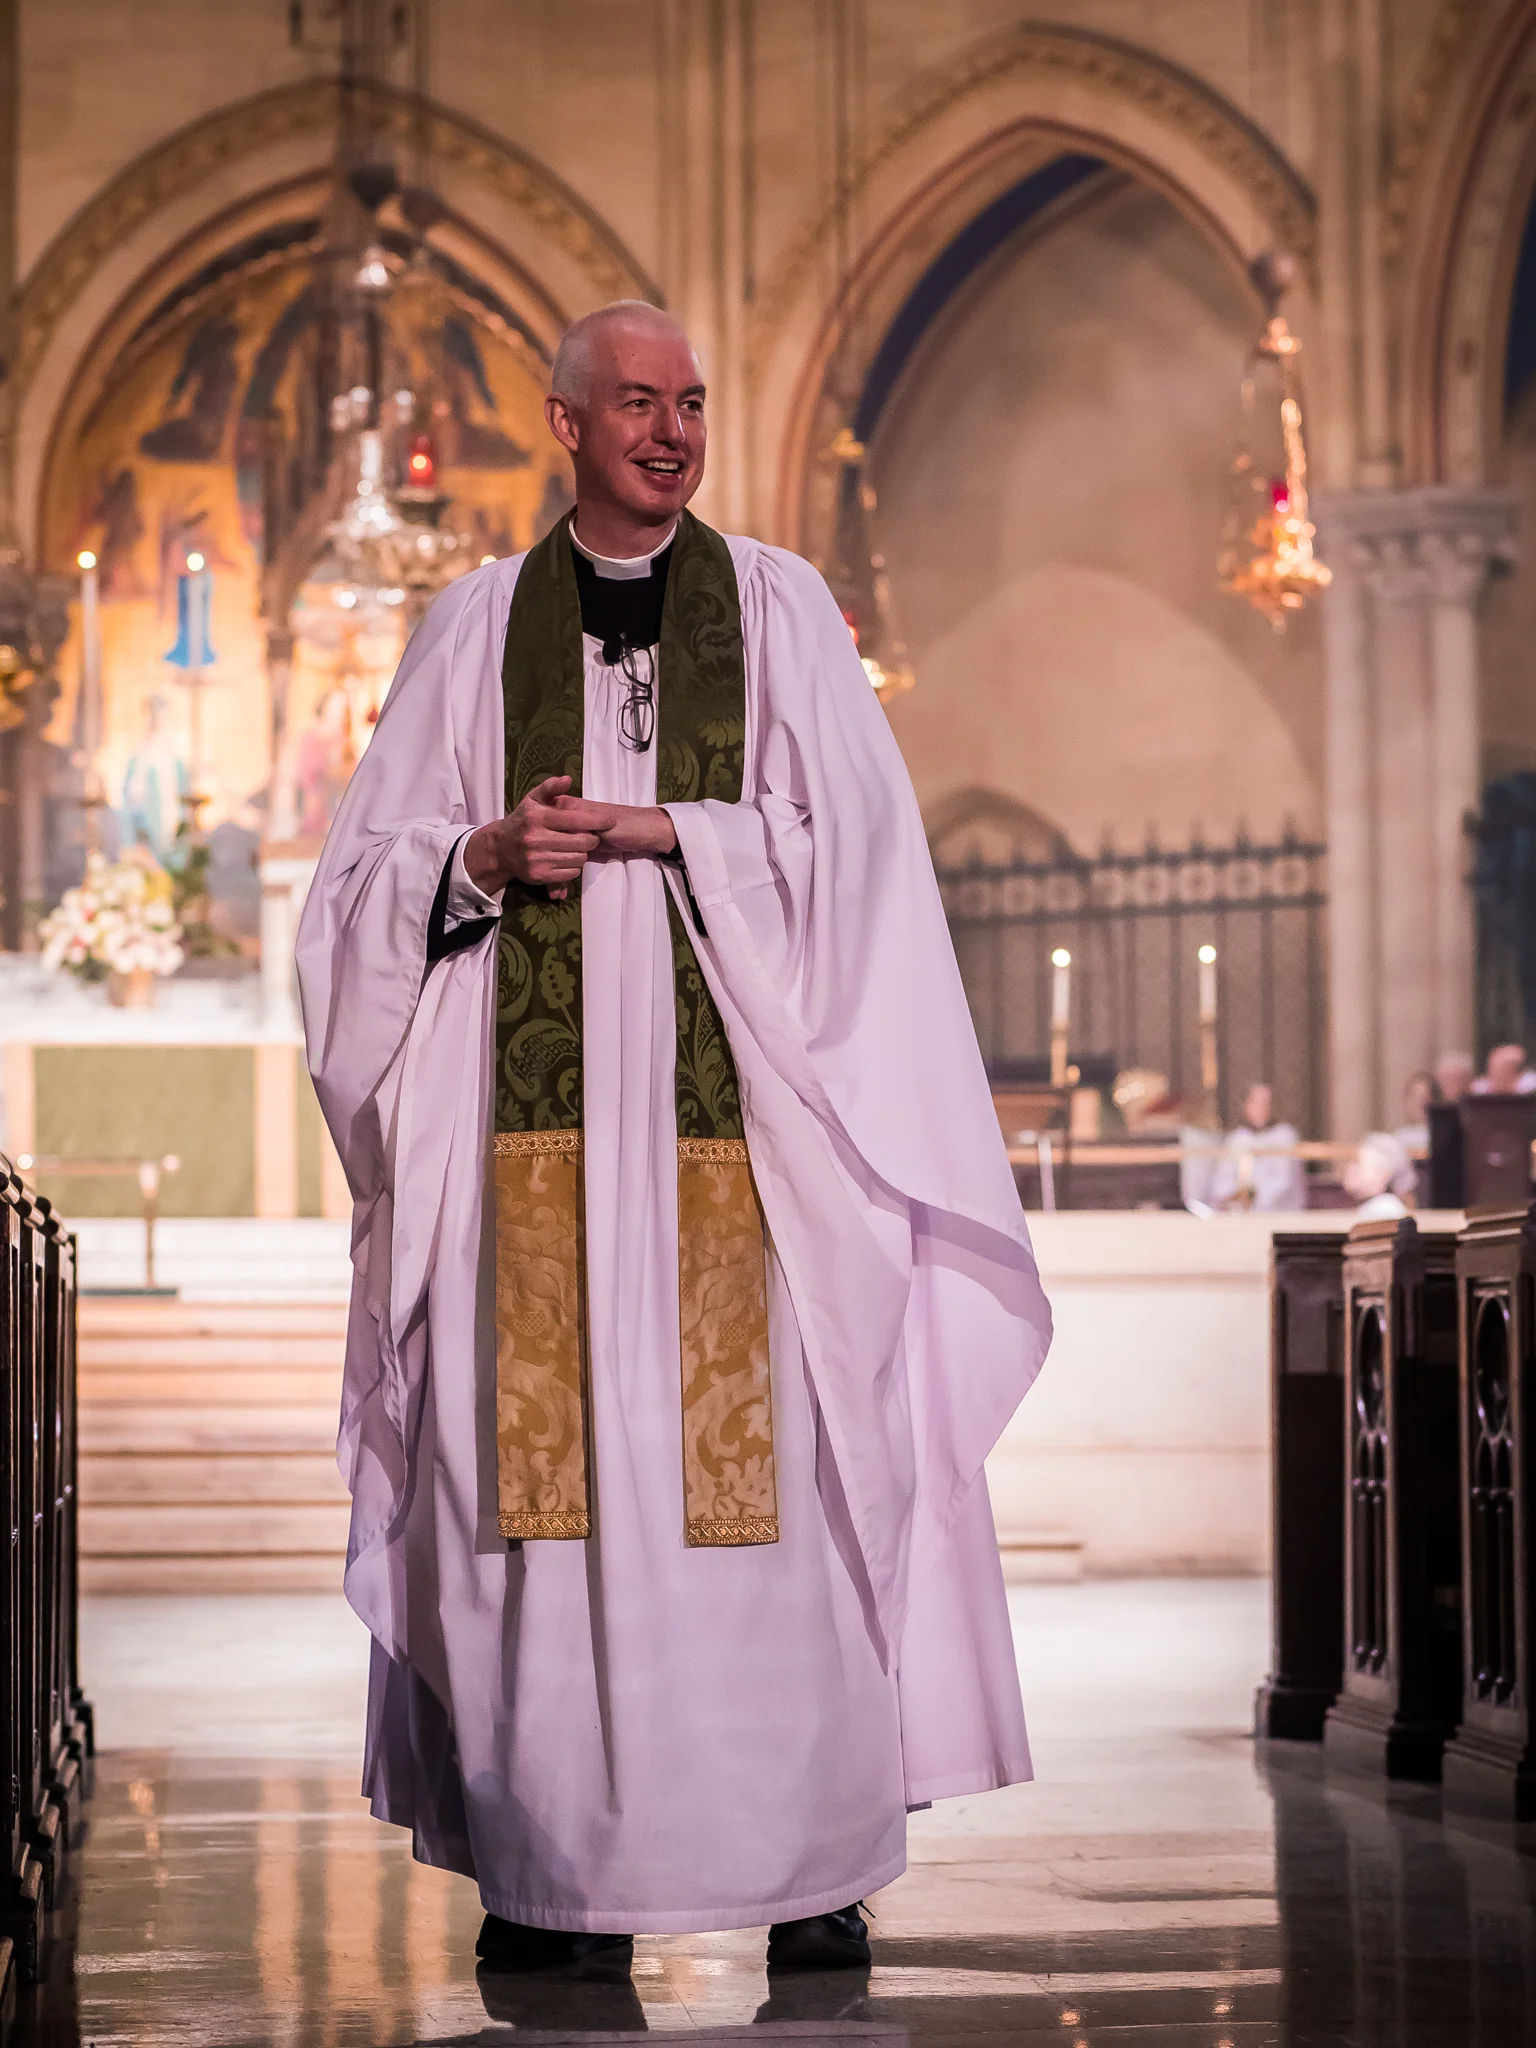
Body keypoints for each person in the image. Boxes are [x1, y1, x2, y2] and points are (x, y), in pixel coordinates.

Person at [297, 301, 1052, 1979]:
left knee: (776, 1480)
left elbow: (862, 856)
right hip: (531, 1167)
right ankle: (552, 1866)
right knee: (532, 1496)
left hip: (749, 1160)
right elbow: (355, 892)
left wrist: (666, 830)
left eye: (691, 402)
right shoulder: (472, 624)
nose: (671, 431)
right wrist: (483, 856)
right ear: (566, 423)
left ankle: (804, 1865)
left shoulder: (778, 610)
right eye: (637, 402)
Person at [1209, 1081, 1307, 1212]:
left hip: (1278, 1212)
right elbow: (1224, 1177)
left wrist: (1253, 1200)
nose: (1261, 1108)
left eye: (1265, 1103)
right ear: (1246, 1106)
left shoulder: (1285, 1136)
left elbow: (1284, 1180)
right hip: (1240, 1212)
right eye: (1255, 1102)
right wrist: (1230, 1197)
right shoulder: (1237, 1139)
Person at [1470, 1043, 1536, 1094]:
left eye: (1502, 1069)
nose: (1494, 1074)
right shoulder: (1480, 1087)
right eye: (1492, 1069)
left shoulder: (1530, 1085)